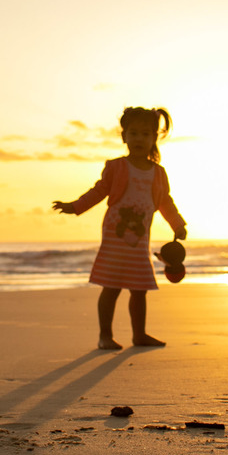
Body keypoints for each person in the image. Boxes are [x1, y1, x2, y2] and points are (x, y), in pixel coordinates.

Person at [53, 107, 187, 349]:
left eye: (145, 134)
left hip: (140, 242)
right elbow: (98, 191)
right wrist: (74, 206)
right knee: (111, 286)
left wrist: (177, 224)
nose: (139, 139)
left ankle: (139, 335)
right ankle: (105, 336)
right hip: (115, 238)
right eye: (133, 133)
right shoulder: (116, 167)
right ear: (124, 136)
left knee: (140, 289)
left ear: (154, 138)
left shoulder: (158, 173)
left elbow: (165, 202)